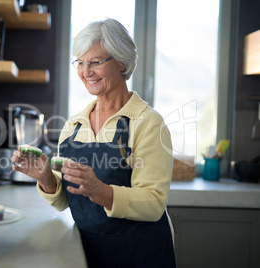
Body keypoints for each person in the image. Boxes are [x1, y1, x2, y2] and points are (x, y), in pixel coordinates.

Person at [12, 18, 176, 267]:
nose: (86, 72)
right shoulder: (74, 126)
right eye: (80, 62)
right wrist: (46, 178)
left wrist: (103, 192)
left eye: (96, 62)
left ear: (122, 62)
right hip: (88, 252)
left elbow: (153, 203)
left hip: (140, 254)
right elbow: (68, 201)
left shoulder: (148, 123)